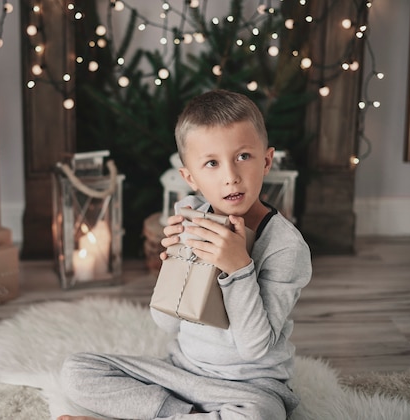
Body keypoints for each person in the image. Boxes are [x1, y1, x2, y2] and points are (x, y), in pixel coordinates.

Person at [57, 89, 312, 420]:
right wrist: (175, 269)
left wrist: (239, 269)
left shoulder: (285, 246)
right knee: (76, 371)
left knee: (262, 416)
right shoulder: (192, 216)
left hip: (249, 387)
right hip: (180, 374)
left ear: (266, 160)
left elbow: (254, 348)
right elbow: (165, 323)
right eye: (211, 163)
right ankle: (185, 415)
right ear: (190, 178)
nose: (230, 176)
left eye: (243, 156)